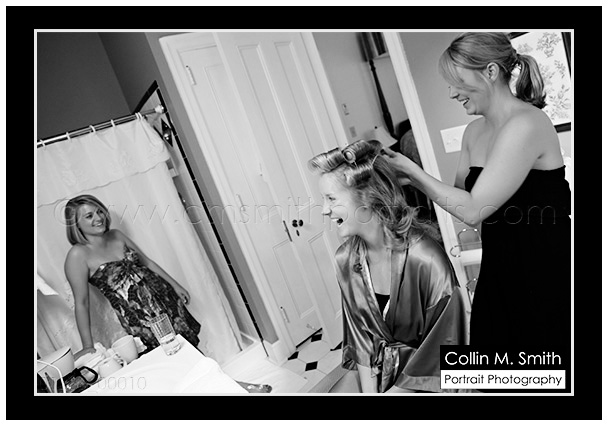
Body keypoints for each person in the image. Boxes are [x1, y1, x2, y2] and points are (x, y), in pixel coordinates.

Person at [382, 32, 571, 352]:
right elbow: (459, 198)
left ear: (491, 71)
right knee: (489, 357)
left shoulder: (527, 123)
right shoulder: (473, 132)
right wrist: (406, 182)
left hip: (544, 270)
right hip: (499, 264)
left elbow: (473, 209)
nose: (451, 92)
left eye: (456, 81)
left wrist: (413, 172)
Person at [63, 194, 271, 393]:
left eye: (99, 211)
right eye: (89, 216)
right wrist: (88, 346)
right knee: (174, 359)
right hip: (140, 318)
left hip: (164, 299)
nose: (98, 218)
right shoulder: (77, 255)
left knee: (189, 349)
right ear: (75, 224)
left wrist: (175, 285)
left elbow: (147, 262)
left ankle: (229, 387)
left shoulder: (116, 235)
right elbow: (82, 303)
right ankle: (234, 387)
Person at [308, 140, 468, 393]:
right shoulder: (346, 259)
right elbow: (360, 339)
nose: (325, 210)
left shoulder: (425, 259)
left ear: (368, 197)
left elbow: (446, 348)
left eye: (331, 198)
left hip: (428, 379)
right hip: (379, 368)